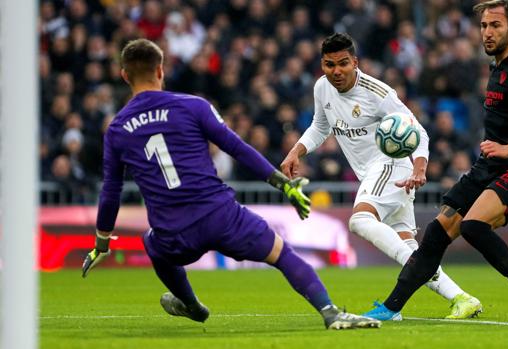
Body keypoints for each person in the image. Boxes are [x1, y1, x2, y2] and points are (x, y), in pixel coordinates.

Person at [80, 38, 380, 330]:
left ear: (124, 76)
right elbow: (236, 147)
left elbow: (111, 191)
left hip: (173, 231)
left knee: (151, 242)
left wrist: (101, 243)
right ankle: (329, 311)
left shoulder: (117, 129)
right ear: (161, 71)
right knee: (281, 253)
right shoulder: (193, 106)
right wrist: (282, 184)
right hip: (220, 216)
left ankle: (191, 304)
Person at [363, 0, 508, 323]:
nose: (487, 32)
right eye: (484, 26)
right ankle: (390, 308)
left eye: (495, 25)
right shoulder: (496, 67)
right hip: (487, 166)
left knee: (473, 225)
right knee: (435, 235)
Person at [281, 33, 482, 320]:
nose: (336, 71)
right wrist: (296, 152)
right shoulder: (322, 88)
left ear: (355, 62)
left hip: (392, 165)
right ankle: (462, 298)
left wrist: (420, 167)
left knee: (360, 220)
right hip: (375, 175)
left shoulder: (378, 93)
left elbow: (419, 131)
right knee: (409, 246)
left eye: (343, 64)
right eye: (329, 65)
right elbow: (320, 126)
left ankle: (394, 306)